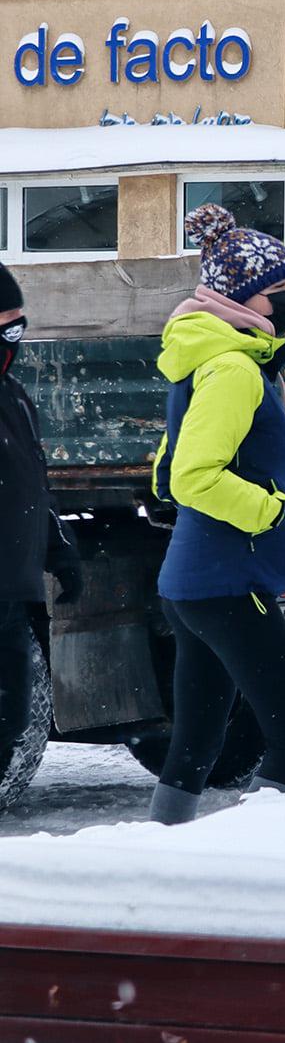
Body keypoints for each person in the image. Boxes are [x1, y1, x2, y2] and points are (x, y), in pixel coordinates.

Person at [149, 206, 285, 824]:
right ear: (246, 299)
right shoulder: (231, 369)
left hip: (198, 583)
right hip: (228, 583)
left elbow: (167, 472)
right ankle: (259, 861)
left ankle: (163, 850)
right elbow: (192, 476)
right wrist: (267, 512)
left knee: (196, 744)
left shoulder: (212, 358)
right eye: (279, 290)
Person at [0, 264, 81, 802]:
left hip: (12, 597)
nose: (14, 333)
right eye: (3, 322)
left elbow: (30, 483)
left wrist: (58, 549)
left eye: (16, 321)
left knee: (9, 719)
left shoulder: (14, 397)